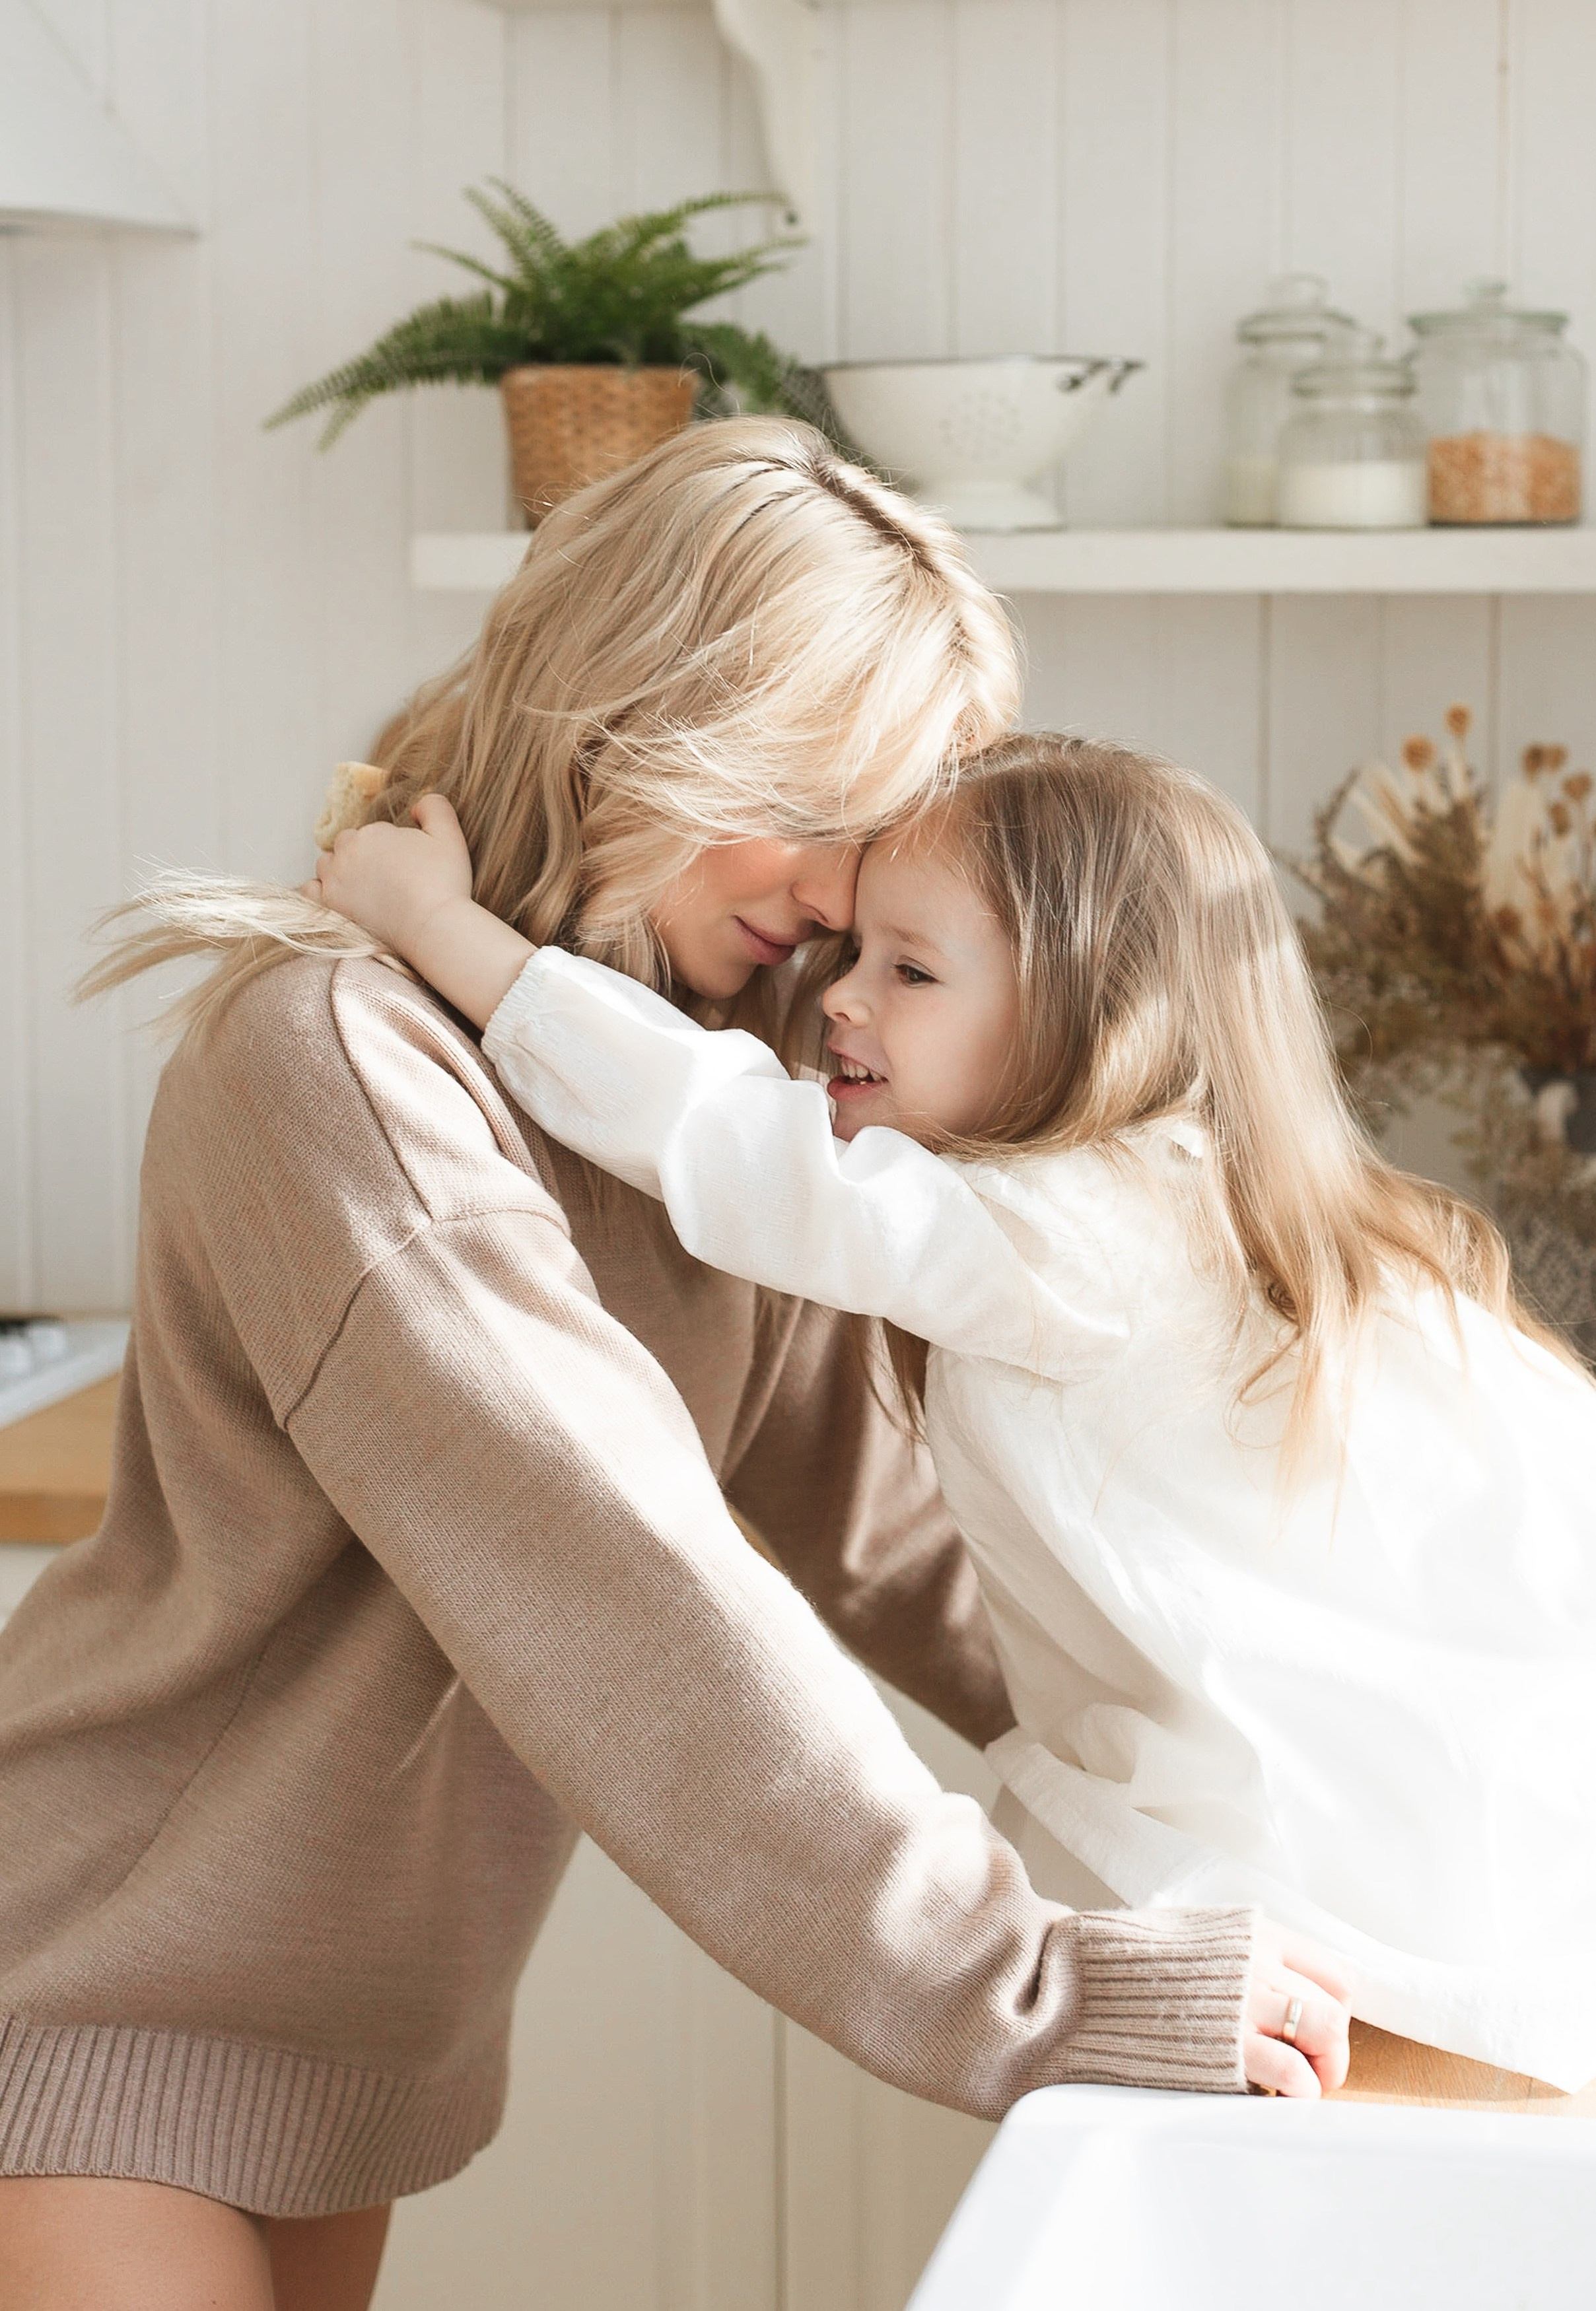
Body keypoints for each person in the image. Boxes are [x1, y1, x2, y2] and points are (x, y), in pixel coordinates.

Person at [0, 428, 1344, 2311]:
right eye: (808, 804)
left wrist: (1307, 1786)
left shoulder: (714, 1096)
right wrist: (1026, 1989)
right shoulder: (341, 1064)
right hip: (88, 1978)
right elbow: (611, 1567)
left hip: (342, 2051)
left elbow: (909, 1540)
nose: (833, 886)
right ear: (640, 716)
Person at [312, 721, 1596, 2110]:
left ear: (1098, 1014)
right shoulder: (1222, 1221)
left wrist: (435, 925)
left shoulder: (1082, 1230)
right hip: (1399, 1886)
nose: (840, 1003)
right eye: (852, 954)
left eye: (910, 971)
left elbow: (732, 1141)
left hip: (1312, 1907)